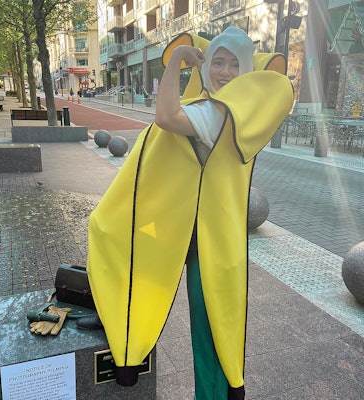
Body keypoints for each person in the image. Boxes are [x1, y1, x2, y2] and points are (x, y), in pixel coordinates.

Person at [87, 26, 293, 399]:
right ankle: (121, 333)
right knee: (136, 268)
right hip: (183, 227)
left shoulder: (219, 112)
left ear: (247, 70)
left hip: (204, 238)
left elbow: (165, 116)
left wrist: (180, 60)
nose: (225, 72)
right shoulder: (223, 106)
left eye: (234, 64)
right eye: (217, 62)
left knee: (211, 327)